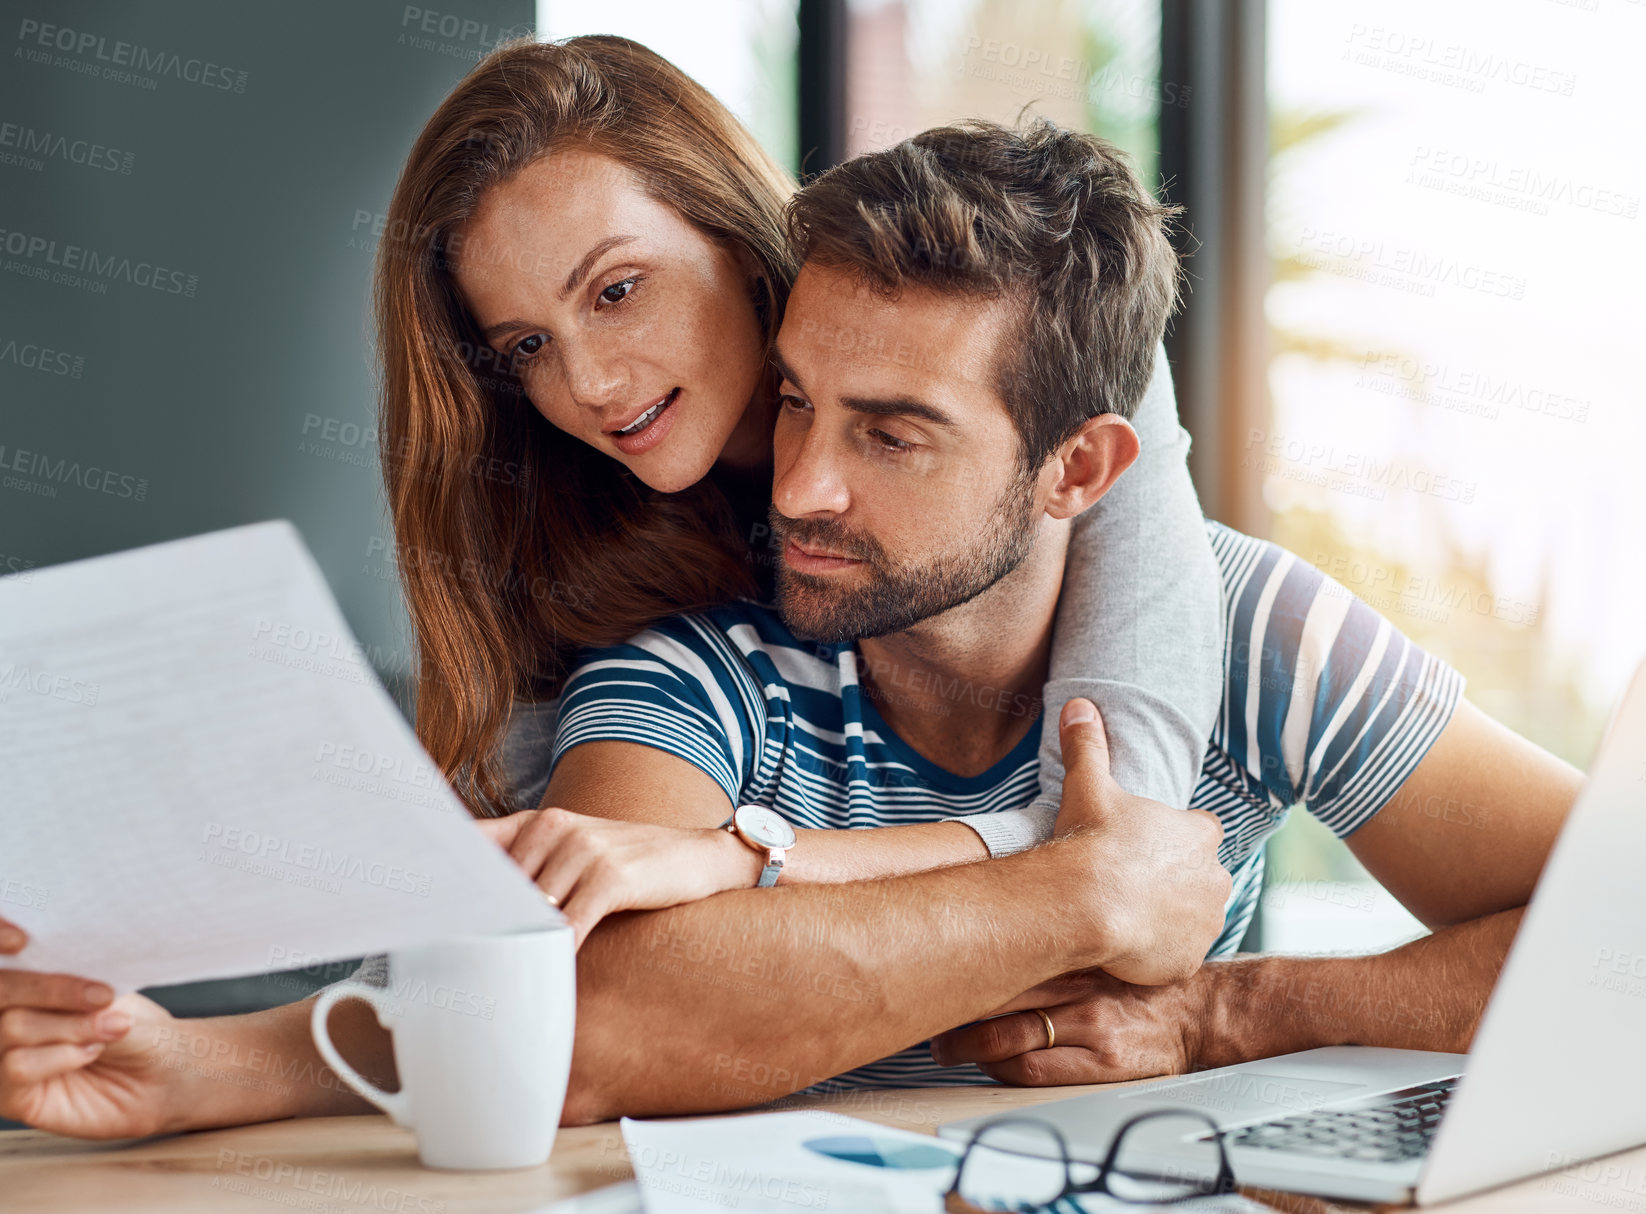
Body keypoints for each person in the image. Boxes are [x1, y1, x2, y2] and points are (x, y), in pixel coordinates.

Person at [0, 117, 1577, 1137]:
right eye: (801, 404)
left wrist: (1232, 1006)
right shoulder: (690, 656)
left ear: (1079, 466)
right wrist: (1091, 894)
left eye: (891, 431)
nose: (802, 486)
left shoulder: (1247, 627)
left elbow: (1621, 939)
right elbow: (592, 1020)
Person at [375, 34, 1225, 849]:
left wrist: (1101, 879)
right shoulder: (554, 550)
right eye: (528, 345)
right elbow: (518, 924)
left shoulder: (1005, 338)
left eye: (617, 291)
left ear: (740, 244)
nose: (588, 383)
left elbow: (1124, 810)